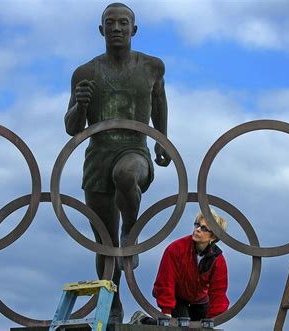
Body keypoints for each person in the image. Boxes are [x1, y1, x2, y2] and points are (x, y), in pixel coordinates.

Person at [64, 3, 171, 324]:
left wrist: (162, 140)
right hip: (97, 158)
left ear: (134, 30)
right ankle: (113, 303)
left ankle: (132, 232)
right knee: (104, 243)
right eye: (110, 23)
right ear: (101, 30)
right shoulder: (84, 72)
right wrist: (80, 107)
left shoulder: (152, 67)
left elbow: (159, 103)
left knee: (126, 175)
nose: (116, 28)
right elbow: (72, 128)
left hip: (134, 150)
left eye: (123, 23)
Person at [152, 209, 230, 320]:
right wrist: (166, 311)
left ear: (213, 237)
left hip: (200, 302)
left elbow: (218, 291)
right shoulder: (176, 249)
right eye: (197, 225)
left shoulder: (217, 259)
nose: (197, 230)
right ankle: (143, 320)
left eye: (204, 229)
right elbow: (165, 281)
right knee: (182, 326)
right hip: (177, 298)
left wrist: (213, 319)